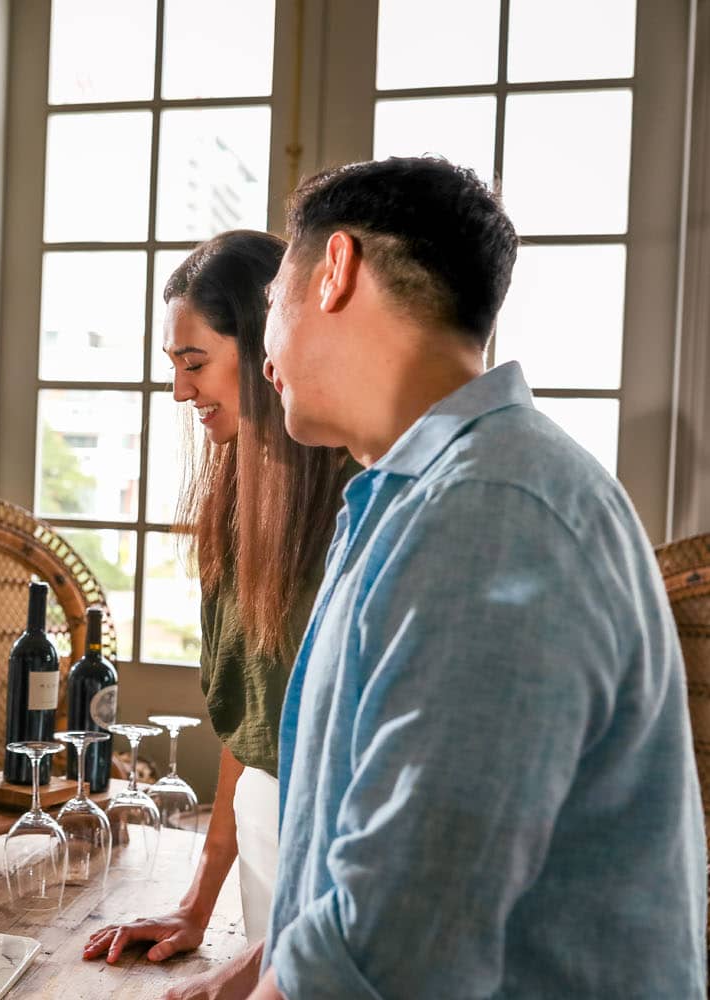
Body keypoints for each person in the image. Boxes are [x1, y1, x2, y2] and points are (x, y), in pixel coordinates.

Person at [240, 156, 706, 998]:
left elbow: (402, 930)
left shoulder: (490, 512)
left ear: (335, 270)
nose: (263, 351)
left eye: (273, 299)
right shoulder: (430, 494)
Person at [82, 230, 351, 998]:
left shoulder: (352, 501)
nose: (179, 391)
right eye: (174, 365)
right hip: (265, 832)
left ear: (266, 343)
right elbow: (249, 721)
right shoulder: (241, 497)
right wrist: (197, 904)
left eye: (194, 362)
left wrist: (259, 965)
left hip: (334, 855)